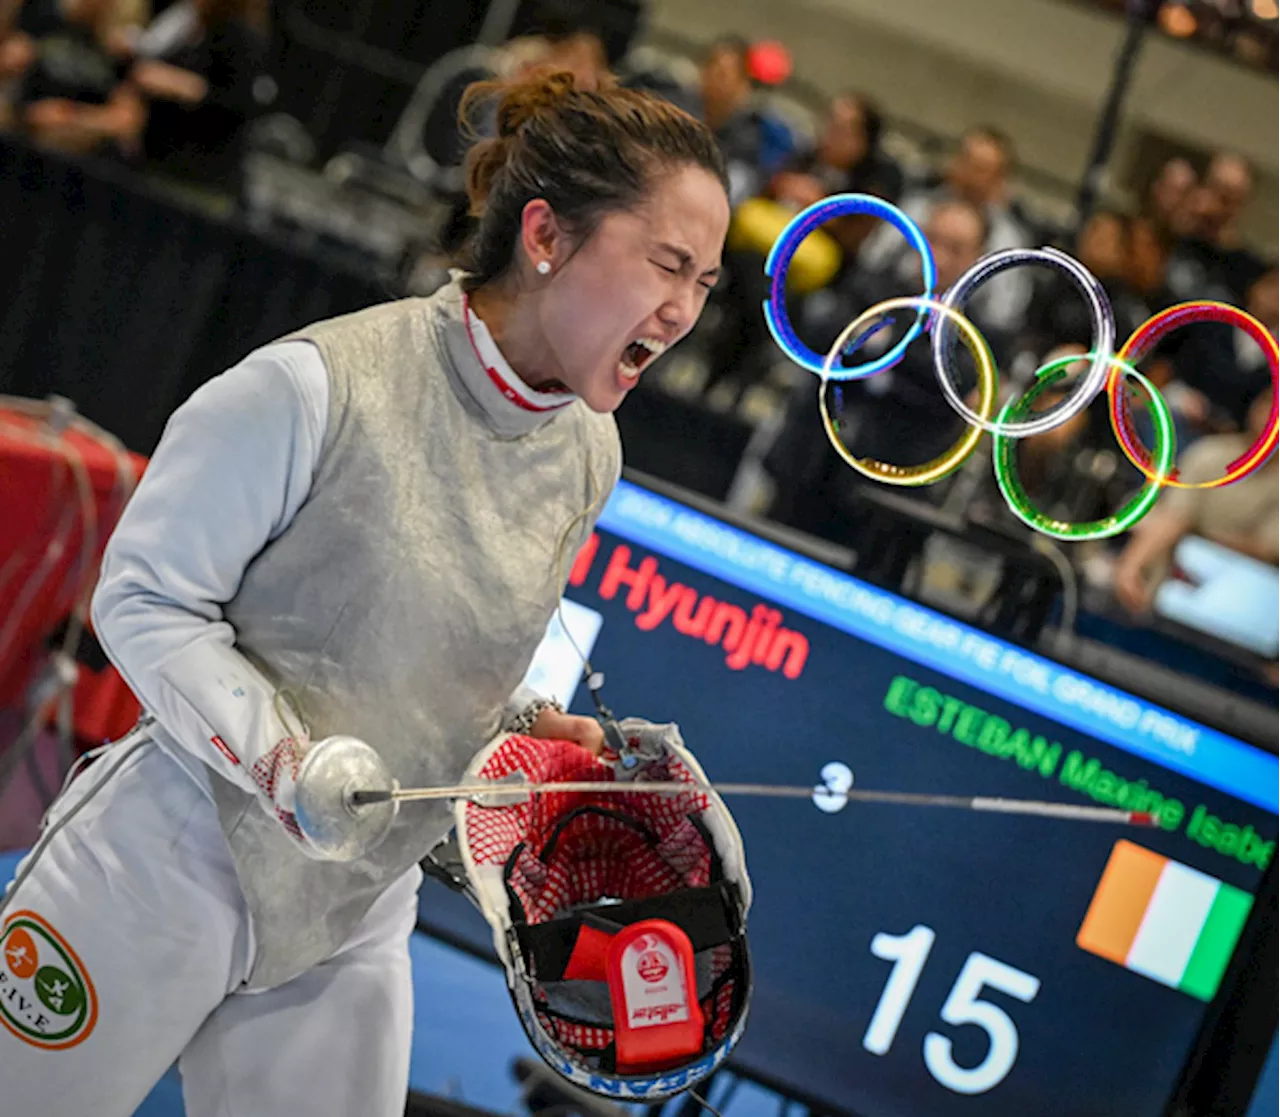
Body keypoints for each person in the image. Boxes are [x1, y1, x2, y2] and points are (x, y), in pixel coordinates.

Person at [0, 69, 731, 1116]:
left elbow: (423, 660)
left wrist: (538, 734)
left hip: (350, 912)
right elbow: (143, 598)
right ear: (546, 235)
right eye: (667, 262)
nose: (683, 309)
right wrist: (283, 759)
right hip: (167, 857)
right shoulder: (317, 385)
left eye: (704, 282)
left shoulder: (586, 452)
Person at [1113, 387, 1280, 615]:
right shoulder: (1210, 452)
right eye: (1269, 406)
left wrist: (1196, 532)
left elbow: (1266, 551)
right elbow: (1173, 517)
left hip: (1249, 596)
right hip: (1178, 574)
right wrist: (1130, 567)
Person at [859, 125, 1032, 333]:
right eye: (967, 162)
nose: (971, 176)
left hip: (960, 330)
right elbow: (872, 261)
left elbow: (1002, 314)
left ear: (1000, 180)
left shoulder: (1008, 241)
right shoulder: (918, 207)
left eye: (982, 170)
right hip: (896, 309)